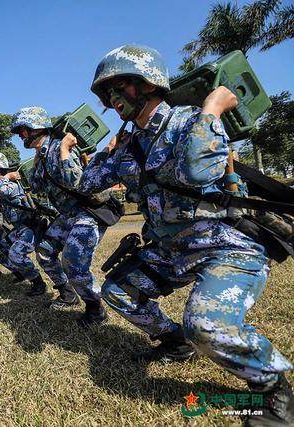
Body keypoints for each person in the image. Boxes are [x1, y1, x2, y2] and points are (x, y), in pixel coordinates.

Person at [80, 44, 293, 425]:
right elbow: (88, 182)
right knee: (116, 291)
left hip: (222, 248)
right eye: (107, 93)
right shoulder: (130, 144)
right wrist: (109, 149)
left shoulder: (189, 120)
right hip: (171, 250)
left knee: (206, 325)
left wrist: (212, 108)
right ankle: (176, 343)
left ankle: (274, 390)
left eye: (121, 86)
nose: (113, 99)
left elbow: (195, 172)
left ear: (148, 85)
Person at [9, 108, 108, 326]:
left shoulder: (59, 147)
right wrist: (36, 160)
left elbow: (77, 183)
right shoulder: (43, 153)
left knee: (73, 262)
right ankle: (67, 293)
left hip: (87, 212)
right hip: (69, 214)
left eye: (23, 130)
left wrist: (64, 150)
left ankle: (95, 307)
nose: (20, 135)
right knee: (44, 252)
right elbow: (36, 186)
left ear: (36, 127)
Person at [0, 151, 48, 295]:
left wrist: (7, 177)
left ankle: (38, 283)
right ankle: (21, 274)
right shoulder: (0, 184)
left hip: (30, 227)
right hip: (19, 229)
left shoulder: (10, 184)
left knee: (16, 254)